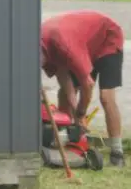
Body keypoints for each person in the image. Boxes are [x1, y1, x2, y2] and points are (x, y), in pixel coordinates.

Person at [40, 11, 126, 167]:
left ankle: (117, 152)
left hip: (107, 38)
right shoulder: (41, 43)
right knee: (64, 93)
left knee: (106, 97)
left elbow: (88, 83)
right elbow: (63, 76)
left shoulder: (63, 44)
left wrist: (80, 113)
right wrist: (73, 105)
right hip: (83, 43)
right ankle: (64, 139)